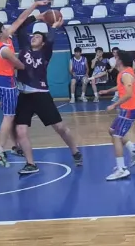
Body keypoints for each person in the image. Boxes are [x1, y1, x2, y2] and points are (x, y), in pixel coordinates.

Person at [11, 14, 83, 176]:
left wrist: (53, 26)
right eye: (33, 35)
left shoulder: (45, 52)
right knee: (20, 130)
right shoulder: (24, 48)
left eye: (38, 37)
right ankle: (30, 163)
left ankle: (75, 151)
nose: (34, 37)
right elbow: (20, 28)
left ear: (43, 43)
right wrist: (35, 18)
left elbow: (50, 38)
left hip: (41, 95)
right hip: (24, 96)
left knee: (60, 128)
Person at [0, 0, 43, 167]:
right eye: (3, 28)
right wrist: (32, 65)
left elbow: (20, 19)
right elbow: (19, 64)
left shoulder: (6, 37)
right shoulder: (3, 50)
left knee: (10, 115)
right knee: (9, 116)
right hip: (6, 83)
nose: (7, 28)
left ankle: (14, 146)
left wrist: (35, 6)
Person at [100, 50, 135, 181]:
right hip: (127, 109)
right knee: (112, 131)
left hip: (130, 109)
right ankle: (134, 150)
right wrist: (108, 91)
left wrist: (114, 105)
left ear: (120, 60)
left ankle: (121, 169)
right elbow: (121, 87)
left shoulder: (125, 74)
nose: (115, 59)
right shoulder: (126, 72)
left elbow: (129, 93)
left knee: (117, 136)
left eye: (116, 57)